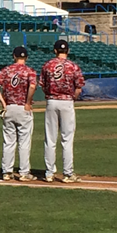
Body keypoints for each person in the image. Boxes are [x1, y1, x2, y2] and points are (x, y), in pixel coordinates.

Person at [39, 39, 85, 183]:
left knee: (50, 139)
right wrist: (73, 98)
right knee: (67, 139)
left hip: (52, 101)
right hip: (67, 101)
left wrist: (50, 95)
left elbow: (43, 85)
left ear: (55, 51)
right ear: (68, 51)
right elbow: (79, 87)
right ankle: (68, 173)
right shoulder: (73, 66)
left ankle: (49, 173)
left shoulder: (48, 65)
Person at [0, 46, 37, 181]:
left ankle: (7, 171)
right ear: (26, 57)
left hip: (9, 107)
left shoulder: (6, 70)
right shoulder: (29, 71)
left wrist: (3, 103)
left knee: (8, 142)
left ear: (14, 56)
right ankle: (24, 172)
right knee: (24, 142)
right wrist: (28, 102)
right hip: (23, 108)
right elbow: (33, 86)